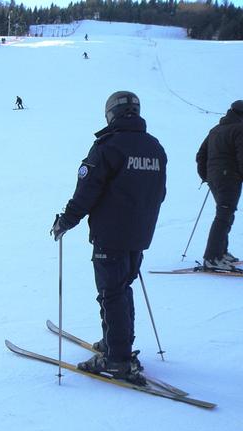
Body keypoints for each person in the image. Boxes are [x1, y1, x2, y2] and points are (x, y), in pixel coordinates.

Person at [50, 91, 167, 385]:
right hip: (139, 233)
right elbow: (159, 192)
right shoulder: (154, 146)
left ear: (111, 114)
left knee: (111, 291)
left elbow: (87, 190)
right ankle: (116, 343)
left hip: (111, 233)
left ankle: (117, 358)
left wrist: (67, 220)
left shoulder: (107, 146)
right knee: (121, 287)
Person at [195, 100, 243, 271]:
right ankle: (212, 257)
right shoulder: (239, 129)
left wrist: (206, 176)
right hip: (229, 178)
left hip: (216, 178)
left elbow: (201, 155)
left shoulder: (215, 130)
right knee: (224, 214)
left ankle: (221, 252)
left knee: (225, 212)